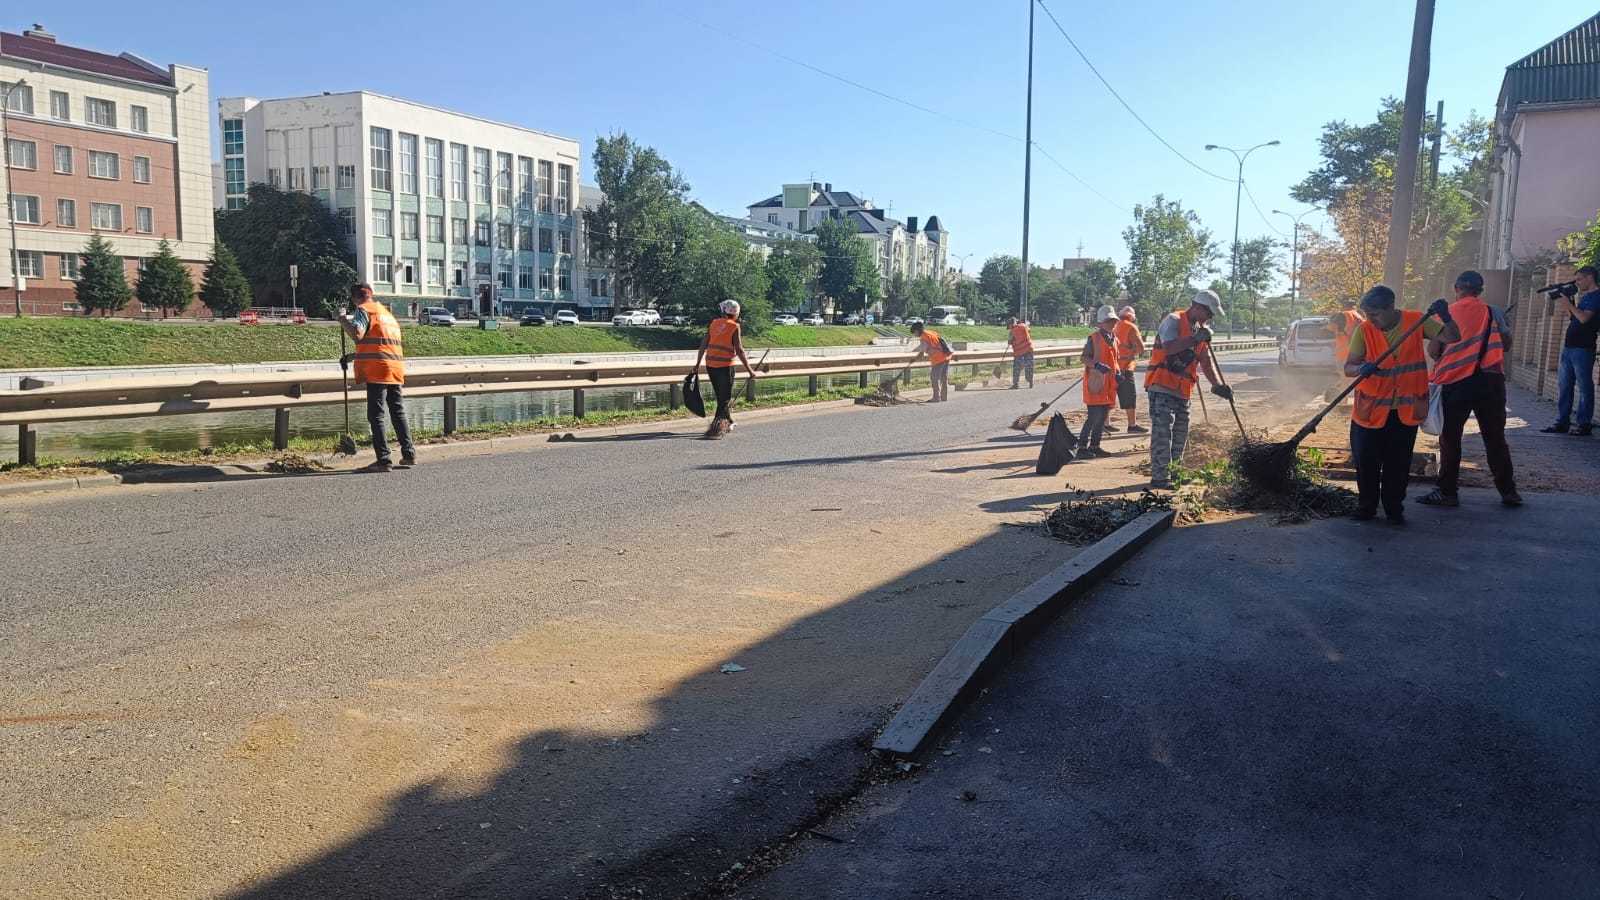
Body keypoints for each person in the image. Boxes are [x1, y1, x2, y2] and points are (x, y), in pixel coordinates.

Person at [1343, 286, 1459, 524]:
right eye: (1367, 314)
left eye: (1375, 314)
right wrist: (1360, 368)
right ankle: (1366, 507)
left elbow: (1452, 337)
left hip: (1404, 412)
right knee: (1366, 462)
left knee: (1398, 464)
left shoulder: (1417, 321)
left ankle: (1394, 509)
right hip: (1370, 413)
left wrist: (1446, 316)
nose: (1370, 320)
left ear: (1390, 308)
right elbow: (1349, 367)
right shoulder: (1364, 331)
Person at [1418, 270, 1521, 508]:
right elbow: (1505, 344)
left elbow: (1433, 351)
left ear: (1456, 289)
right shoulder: (1493, 312)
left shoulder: (1446, 314)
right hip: (1491, 381)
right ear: (1480, 291)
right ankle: (1509, 491)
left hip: (1456, 383)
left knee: (1451, 438)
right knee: (1495, 438)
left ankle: (1448, 493)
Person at [1145, 290, 1233, 489]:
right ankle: (1160, 477)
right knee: (1162, 434)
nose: (1210, 318)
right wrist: (1195, 339)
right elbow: (1169, 347)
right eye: (1209, 313)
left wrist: (1218, 385)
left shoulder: (1201, 331)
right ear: (1198, 307)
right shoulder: (1174, 320)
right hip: (1162, 386)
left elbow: (1206, 362)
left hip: (1183, 391)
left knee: (1180, 435)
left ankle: (1174, 473)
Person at [338, 284, 415, 472]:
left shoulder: (363, 310)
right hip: (394, 368)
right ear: (371, 295)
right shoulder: (386, 314)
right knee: (397, 411)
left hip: (377, 370)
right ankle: (409, 454)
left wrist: (341, 320)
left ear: (355, 298)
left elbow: (357, 334)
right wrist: (351, 357)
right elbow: (379, 344)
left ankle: (384, 460)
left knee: (376, 415)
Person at [1540, 265, 1600, 436]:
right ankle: (1562, 422)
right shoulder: (1586, 296)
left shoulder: (1596, 297)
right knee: (1564, 386)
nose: (1578, 283)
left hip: (1583, 349)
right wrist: (1566, 301)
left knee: (1584, 387)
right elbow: (1573, 317)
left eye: (1580, 279)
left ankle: (1584, 424)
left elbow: (1584, 318)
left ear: (1590, 277)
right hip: (1569, 348)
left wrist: (1568, 303)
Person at [693, 299, 758, 427]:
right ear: (736, 313)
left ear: (724, 311)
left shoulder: (714, 323)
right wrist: (750, 370)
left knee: (721, 396)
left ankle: (728, 420)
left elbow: (703, 345)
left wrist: (697, 364)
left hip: (710, 365)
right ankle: (717, 425)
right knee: (725, 398)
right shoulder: (734, 326)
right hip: (726, 367)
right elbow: (739, 350)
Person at [1072, 305, 1122, 459]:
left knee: (1102, 418)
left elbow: (1115, 360)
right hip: (1096, 384)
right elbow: (1084, 358)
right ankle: (1081, 448)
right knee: (1093, 418)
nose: (1112, 324)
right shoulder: (1093, 338)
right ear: (1101, 323)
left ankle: (1095, 446)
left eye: (1114, 321)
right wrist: (1096, 365)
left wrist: (1118, 372)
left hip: (1109, 386)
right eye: (1109, 321)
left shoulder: (1114, 339)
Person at [1113, 305, 1147, 433]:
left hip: (1112, 367)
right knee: (1129, 396)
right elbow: (1141, 348)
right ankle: (1132, 425)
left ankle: (1105, 423)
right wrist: (1132, 351)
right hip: (1126, 367)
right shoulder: (1131, 327)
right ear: (1132, 317)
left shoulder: (1114, 326)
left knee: (1110, 396)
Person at [908, 321, 957, 402]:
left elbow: (922, 352)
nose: (914, 335)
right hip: (946, 356)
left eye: (914, 333)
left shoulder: (924, 337)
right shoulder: (931, 333)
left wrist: (913, 358)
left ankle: (936, 397)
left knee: (934, 378)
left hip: (938, 358)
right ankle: (944, 397)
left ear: (916, 331)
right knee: (943, 378)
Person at [1328, 300, 1366, 402]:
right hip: (1357, 353)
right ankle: (1358, 401)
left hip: (1343, 353)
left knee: (1344, 378)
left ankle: (1342, 401)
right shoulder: (1360, 317)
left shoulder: (1342, 315)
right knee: (1354, 379)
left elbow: (1331, 328)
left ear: (1344, 306)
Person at [1007, 317, 1035, 389]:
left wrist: (1011, 339)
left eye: (1009, 326)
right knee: (1029, 366)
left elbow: (1009, 342)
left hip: (1019, 352)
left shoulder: (1012, 332)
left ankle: (1016, 384)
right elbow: (1029, 329)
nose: (1009, 328)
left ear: (1010, 325)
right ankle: (1030, 382)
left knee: (1017, 368)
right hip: (1029, 349)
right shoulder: (1023, 326)